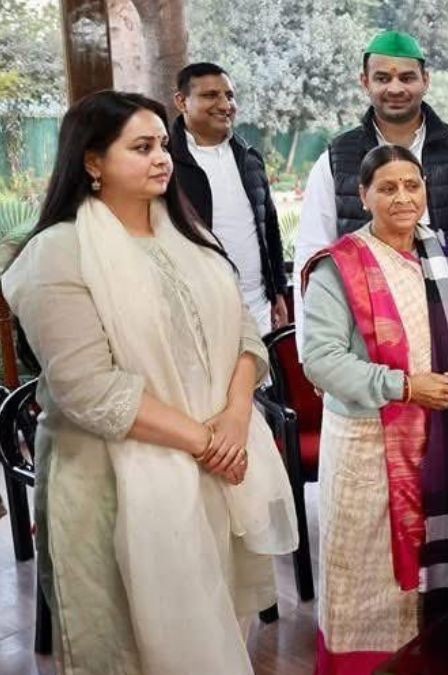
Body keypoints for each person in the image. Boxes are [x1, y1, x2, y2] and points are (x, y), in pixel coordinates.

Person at [1, 90, 297, 674]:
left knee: (218, 630)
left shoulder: (189, 237)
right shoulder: (56, 254)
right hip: (112, 484)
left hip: (218, 467)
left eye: (163, 143)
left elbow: (244, 333)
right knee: (132, 651)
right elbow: (90, 389)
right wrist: (209, 442)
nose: (162, 157)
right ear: (92, 161)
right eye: (141, 147)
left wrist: (236, 417)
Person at [301, 144, 448, 673]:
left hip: (445, 438)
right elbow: (320, 360)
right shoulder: (339, 266)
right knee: (368, 573)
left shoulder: (445, 254)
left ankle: (436, 656)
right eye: (387, 188)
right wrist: (406, 387)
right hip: (368, 446)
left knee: (440, 571)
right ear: (363, 196)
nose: (403, 197)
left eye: (412, 185)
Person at [293, 30, 448, 351]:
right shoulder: (338, 157)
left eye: (407, 78)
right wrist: (312, 348)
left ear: (425, 80)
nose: (395, 88)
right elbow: (312, 253)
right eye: (382, 78)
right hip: (366, 329)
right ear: (365, 82)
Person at [171, 62, 290, 335]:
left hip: (258, 308)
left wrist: (278, 292)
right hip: (199, 315)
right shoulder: (166, 165)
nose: (225, 105)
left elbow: (269, 228)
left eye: (230, 96)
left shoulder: (250, 158)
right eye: (210, 95)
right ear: (181, 101)